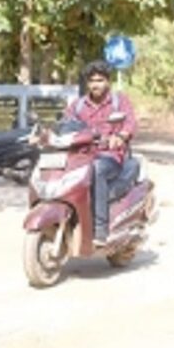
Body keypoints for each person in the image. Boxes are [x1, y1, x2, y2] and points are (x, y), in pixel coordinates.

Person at [63, 60, 138, 247]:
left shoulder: (119, 101)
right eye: (92, 80)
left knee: (96, 169)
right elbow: (65, 124)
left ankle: (100, 229)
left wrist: (120, 136)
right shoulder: (78, 105)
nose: (96, 84)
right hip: (81, 156)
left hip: (109, 156)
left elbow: (130, 123)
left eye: (100, 80)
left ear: (108, 82)